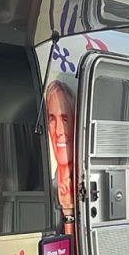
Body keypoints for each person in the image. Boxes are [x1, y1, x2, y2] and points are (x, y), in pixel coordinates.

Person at [45, 81, 75, 233]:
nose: (58, 131)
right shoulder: (45, 187)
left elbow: (73, 246)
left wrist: (68, 212)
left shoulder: (88, 183)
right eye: (52, 119)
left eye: (64, 120)